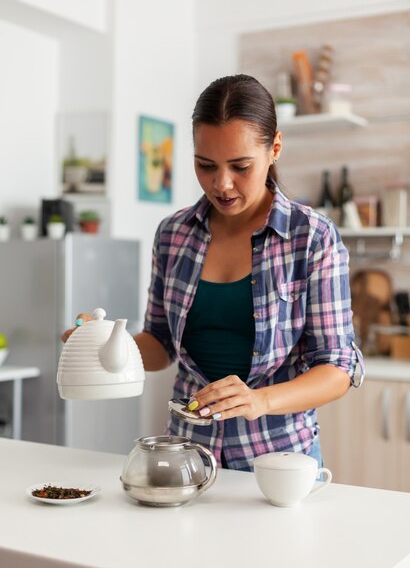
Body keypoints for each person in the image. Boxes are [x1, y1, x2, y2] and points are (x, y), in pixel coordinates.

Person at [63, 74, 364, 472]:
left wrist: (260, 400)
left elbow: (338, 368)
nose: (221, 184)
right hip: (187, 454)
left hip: (278, 460)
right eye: (206, 166)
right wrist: (105, 344)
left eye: (240, 166)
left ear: (275, 148)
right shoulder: (173, 234)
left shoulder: (311, 238)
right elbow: (160, 344)